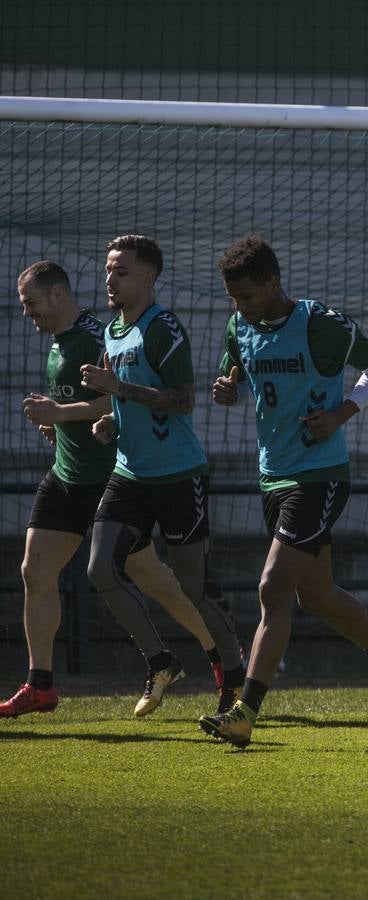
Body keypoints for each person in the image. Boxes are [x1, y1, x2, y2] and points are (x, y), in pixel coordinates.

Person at [198, 235, 368, 748]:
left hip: (320, 477)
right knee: (316, 593)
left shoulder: (319, 323)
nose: (239, 307)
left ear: (273, 283)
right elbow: (238, 373)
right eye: (233, 298)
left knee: (272, 588)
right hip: (273, 476)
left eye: (247, 296)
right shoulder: (240, 326)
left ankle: (244, 712)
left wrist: (341, 414)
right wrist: (229, 389)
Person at [2, 260, 238, 718]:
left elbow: (117, 396)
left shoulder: (98, 333)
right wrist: (59, 428)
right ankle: (41, 683)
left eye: (30, 302)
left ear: (57, 295)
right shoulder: (58, 343)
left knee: (158, 581)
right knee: (35, 570)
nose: (26, 313)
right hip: (66, 474)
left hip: (110, 478)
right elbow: (86, 404)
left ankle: (217, 656)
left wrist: (63, 413)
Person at [77, 236, 246, 718]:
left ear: (148, 277)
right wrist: (110, 420)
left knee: (194, 586)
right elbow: (121, 400)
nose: (110, 279)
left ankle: (235, 677)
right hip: (129, 473)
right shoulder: (112, 331)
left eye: (121, 271)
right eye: (109, 270)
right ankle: (161, 660)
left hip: (177, 476)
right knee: (99, 568)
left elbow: (183, 399)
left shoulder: (163, 327)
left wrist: (119, 389)